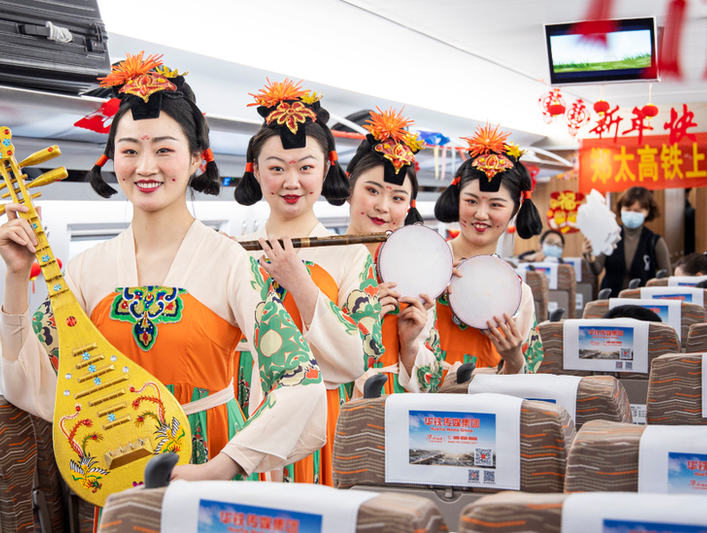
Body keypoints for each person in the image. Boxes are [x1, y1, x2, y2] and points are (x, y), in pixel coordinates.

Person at [0, 54, 327, 483]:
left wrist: (220, 467)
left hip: (209, 468)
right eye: (129, 151)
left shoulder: (231, 264)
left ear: (195, 160)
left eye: (164, 150)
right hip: (119, 470)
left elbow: (300, 381)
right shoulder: (86, 270)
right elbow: (28, 380)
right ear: (112, 160)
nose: (145, 167)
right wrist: (17, 276)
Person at [233, 79, 383, 486]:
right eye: (276, 168)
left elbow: (359, 357)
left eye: (305, 167)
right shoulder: (231, 250)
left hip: (318, 417)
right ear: (256, 171)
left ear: (326, 169)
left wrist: (300, 282)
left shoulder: (349, 253)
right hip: (240, 411)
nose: (291, 181)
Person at [343, 107, 444, 395]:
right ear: (349, 189)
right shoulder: (316, 263)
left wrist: (410, 344)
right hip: (334, 401)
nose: (383, 207)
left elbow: (431, 382)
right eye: (372, 191)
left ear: (409, 205)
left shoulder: (418, 273)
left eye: (397, 197)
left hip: (394, 402)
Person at [433, 123, 544, 375]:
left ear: (515, 211)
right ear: (457, 199)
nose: (481, 214)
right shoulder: (426, 266)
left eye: (496, 205)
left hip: (485, 408)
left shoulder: (519, 293)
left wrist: (514, 359)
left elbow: (530, 380)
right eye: (471, 201)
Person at [583, 186, 670, 296]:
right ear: (621, 209)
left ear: (647, 212)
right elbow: (596, 270)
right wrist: (589, 256)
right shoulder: (609, 235)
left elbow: (667, 277)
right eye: (628, 209)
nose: (631, 214)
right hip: (611, 300)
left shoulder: (655, 241)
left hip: (642, 303)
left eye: (637, 211)